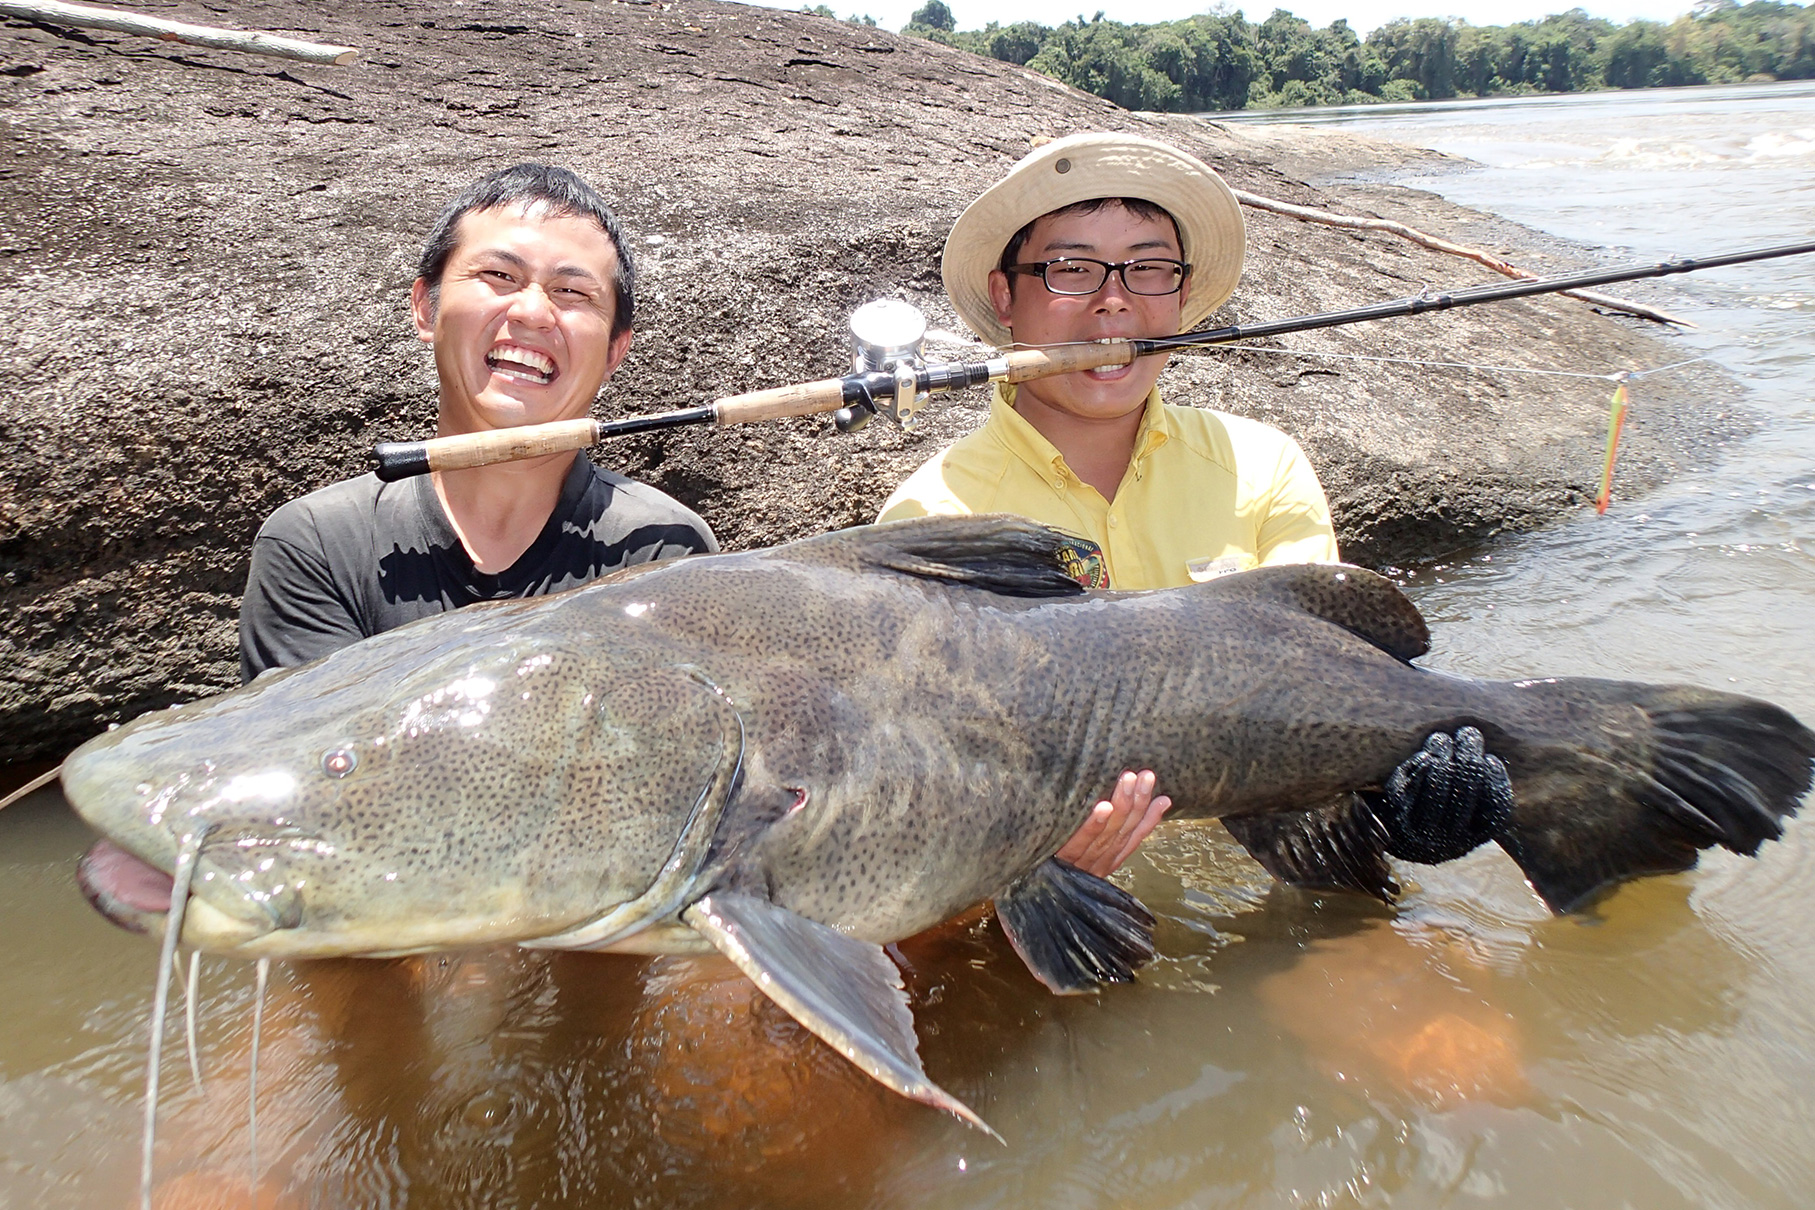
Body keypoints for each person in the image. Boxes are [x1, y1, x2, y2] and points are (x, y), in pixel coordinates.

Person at [880, 133, 1510, 879]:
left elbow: (1336, 689)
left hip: (1279, 876)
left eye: (1147, 269)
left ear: (1179, 297)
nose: (1113, 300)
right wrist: (1034, 866)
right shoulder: (927, 524)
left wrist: (1407, 799)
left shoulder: (1262, 464)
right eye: (1071, 269)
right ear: (1004, 296)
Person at [239, 164, 718, 681]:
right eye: (499, 276)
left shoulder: (662, 551)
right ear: (426, 308)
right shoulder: (320, 546)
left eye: (573, 292)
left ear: (614, 351)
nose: (533, 312)